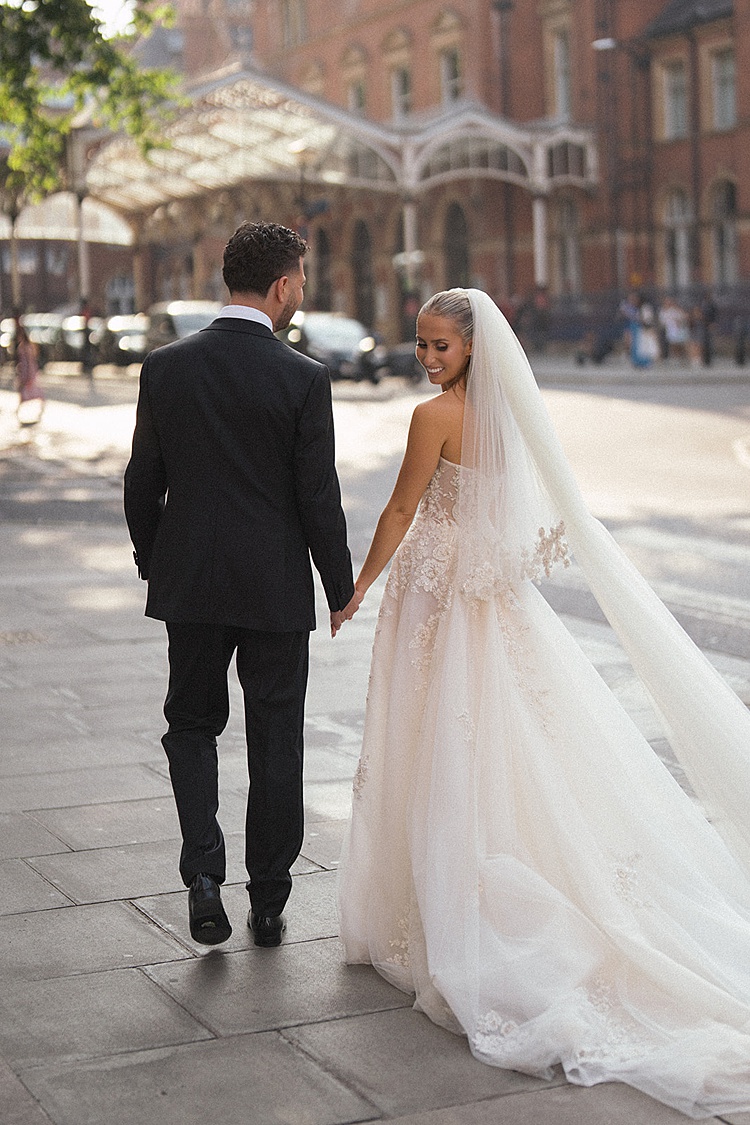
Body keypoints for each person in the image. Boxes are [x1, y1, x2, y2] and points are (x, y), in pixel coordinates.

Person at [338, 287, 750, 1118]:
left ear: (472, 351)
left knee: (438, 739)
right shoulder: (509, 418)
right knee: (502, 739)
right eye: (420, 346)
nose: (426, 360)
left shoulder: (434, 418)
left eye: (440, 347)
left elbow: (400, 508)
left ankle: (442, 906)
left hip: (439, 593)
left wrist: (355, 590)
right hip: (495, 598)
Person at [125, 221, 359, 949]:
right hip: (274, 587)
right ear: (284, 285)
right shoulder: (302, 377)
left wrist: (153, 556)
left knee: (191, 725)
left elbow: (142, 484)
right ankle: (266, 898)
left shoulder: (166, 368)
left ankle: (202, 876)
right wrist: (339, 584)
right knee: (276, 735)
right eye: (301, 283)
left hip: (190, 581)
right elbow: (317, 496)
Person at [14, 322, 44, 425]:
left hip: (27, 371)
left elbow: (26, 362)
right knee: (32, 391)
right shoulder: (29, 345)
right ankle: (40, 406)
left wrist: (25, 374)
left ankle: (18, 410)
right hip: (30, 370)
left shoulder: (24, 347)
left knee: (26, 391)